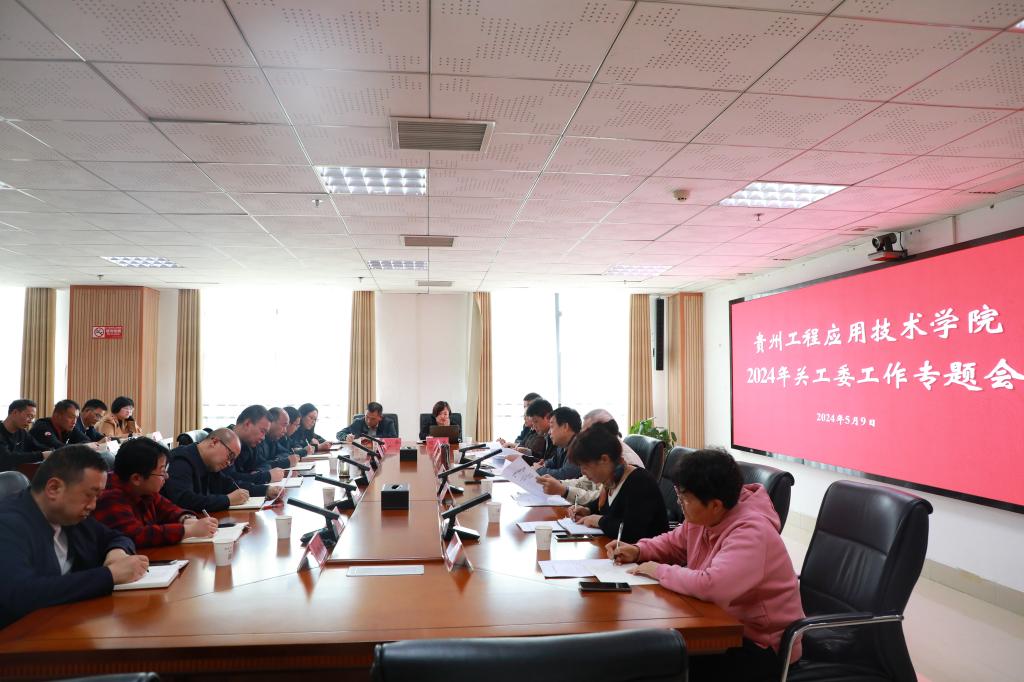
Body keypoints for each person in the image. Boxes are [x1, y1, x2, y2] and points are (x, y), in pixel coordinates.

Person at [608, 448, 805, 682]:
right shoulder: (704, 517)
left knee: (660, 665)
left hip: (761, 644)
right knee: (649, 656)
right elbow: (675, 543)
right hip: (716, 622)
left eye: (684, 499)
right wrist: (639, 550)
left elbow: (713, 586)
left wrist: (659, 570)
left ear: (715, 505)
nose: (679, 503)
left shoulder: (752, 531)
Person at [0, 445, 148, 628]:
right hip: (21, 636)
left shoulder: (68, 515)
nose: (93, 505)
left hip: (70, 622)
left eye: (97, 497)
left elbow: (116, 537)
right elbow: (21, 594)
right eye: (89, 495)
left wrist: (116, 552)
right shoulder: (8, 524)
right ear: (54, 488)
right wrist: (110, 575)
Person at [94, 437, 218, 548]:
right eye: (162, 471)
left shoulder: (144, 488)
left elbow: (169, 509)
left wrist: (186, 519)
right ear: (136, 478)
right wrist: (189, 530)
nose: (167, 476)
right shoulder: (109, 496)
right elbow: (135, 535)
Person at [567, 426, 668, 544]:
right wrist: (587, 510)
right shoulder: (610, 481)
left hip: (646, 553)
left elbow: (632, 532)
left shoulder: (640, 482)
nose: (582, 472)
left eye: (585, 466)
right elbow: (605, 507)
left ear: (604, 459)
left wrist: (599, 521)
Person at [538, 410, 647, 504]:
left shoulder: (623, 460)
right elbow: (587, 483)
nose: (581, 436)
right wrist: (559, 484)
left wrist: (564, 491)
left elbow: (602, 500)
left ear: (601, 433)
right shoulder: (601, 452)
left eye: (587, 432)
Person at [163, 428, 265, 512]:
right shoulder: (180, 460)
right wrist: (227, 500)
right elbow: (184, 501)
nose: (229, 463)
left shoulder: (209, 464)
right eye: (230, 456)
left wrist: (266, 490)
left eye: (233, 460)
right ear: (214, 442)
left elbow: (230, 485)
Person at [230, 405, 285, 486]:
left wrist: (259, 472)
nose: (263, 438)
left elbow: (265, 463)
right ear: (247, 424)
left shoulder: (250, 443)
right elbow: (229, 479)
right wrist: (266, 476)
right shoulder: (224, 442)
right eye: (262, 431)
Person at [1, 399, 51, 472]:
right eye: (29, 416)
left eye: (32, 418)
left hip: (15, 474)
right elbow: (7, 458)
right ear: (15, 412)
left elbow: (37, 446)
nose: (30, 421)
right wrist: (41, 455)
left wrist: (52, 451)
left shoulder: (22, 432)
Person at [534, 406, 582, 480]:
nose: (549, 432)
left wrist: (539, 470)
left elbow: (565, 476)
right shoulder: (562, 446)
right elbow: (553, 462)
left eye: (552, 426)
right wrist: (544, 464)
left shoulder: (580, 447)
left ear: (565, 427)